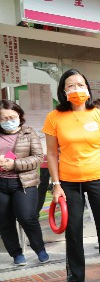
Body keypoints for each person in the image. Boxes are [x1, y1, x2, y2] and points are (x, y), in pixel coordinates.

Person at [43, 69, 100, 282]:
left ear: (88, 89)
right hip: (68, 181)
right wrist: (56, 184)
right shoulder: (54, 117)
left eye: (80, 84)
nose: (76, 89)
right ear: (63, 91)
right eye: (70, 85)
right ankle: (75, 278)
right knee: (73, 229)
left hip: (98, 178)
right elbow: (51, 154)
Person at [0, 100, 49, 266]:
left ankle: (40, 249)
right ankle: (16, 254)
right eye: (4, 118)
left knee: (27, 217)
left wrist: (14, 164)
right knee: (4, 221)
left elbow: (37, 158)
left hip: (24, 184)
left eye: (12, 117)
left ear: (19, 115)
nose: (8, 120)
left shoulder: (29, 133)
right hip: (1, 184)